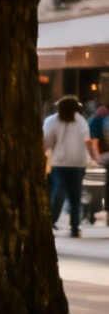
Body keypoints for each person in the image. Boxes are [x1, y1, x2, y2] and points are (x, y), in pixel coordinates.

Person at [47, 95, 91, 238]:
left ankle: (51, 221)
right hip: (78, 163)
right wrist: (91, 157)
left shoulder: (52, 120)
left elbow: (47, 141)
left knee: (58, 192)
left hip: (59, 162)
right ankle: (75, 227)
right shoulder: (80, 121)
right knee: (75, 196)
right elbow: (87, 140)